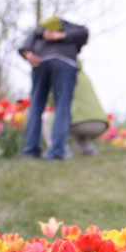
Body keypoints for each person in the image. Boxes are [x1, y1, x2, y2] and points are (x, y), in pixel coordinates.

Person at [19, 16, 89, 160]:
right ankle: (56, 152)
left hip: (41, 60)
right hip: (64, 62)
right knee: (62, 105)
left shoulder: (44, 29)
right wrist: (27, 54)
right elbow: (84, 32)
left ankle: (30, 151)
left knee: (36, 104)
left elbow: (25, 45)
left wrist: (27, 53)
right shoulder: (68, 27)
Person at [42, 65, 108, 157]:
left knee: (47, 117)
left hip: (81, 122)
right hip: (101, 123)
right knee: (74, 118)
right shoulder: (84, 75)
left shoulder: (63, 75)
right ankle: (88, 149)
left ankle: (59, 149)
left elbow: (52, 101)